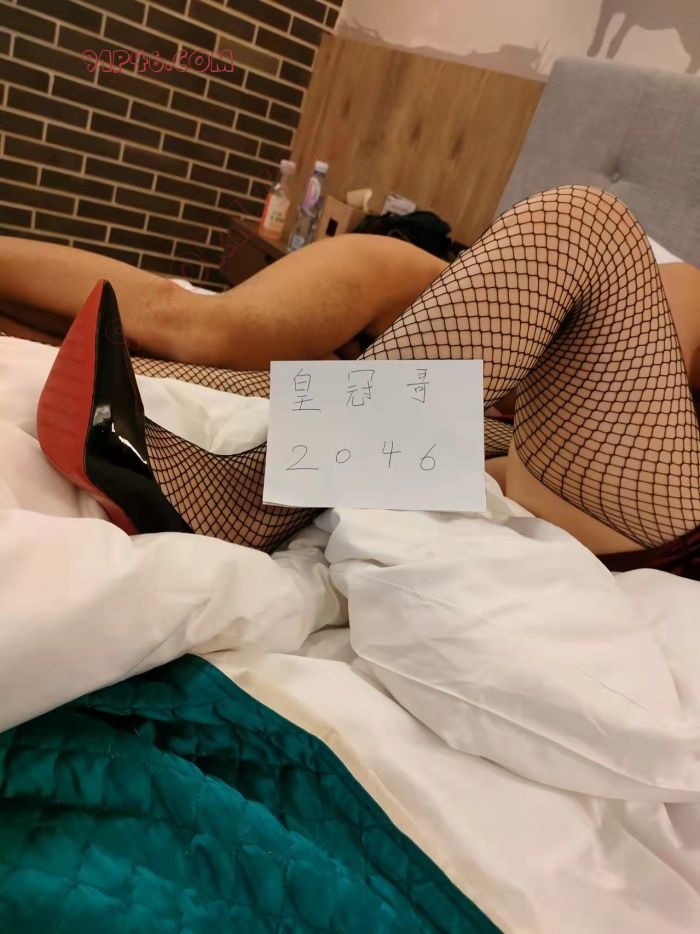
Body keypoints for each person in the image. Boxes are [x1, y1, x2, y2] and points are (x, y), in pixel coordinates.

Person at [2, 185, 699, 576]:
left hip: (656, 513)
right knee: (225, 370)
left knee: (585, 225)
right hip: (529, 436)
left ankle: (245, 498)